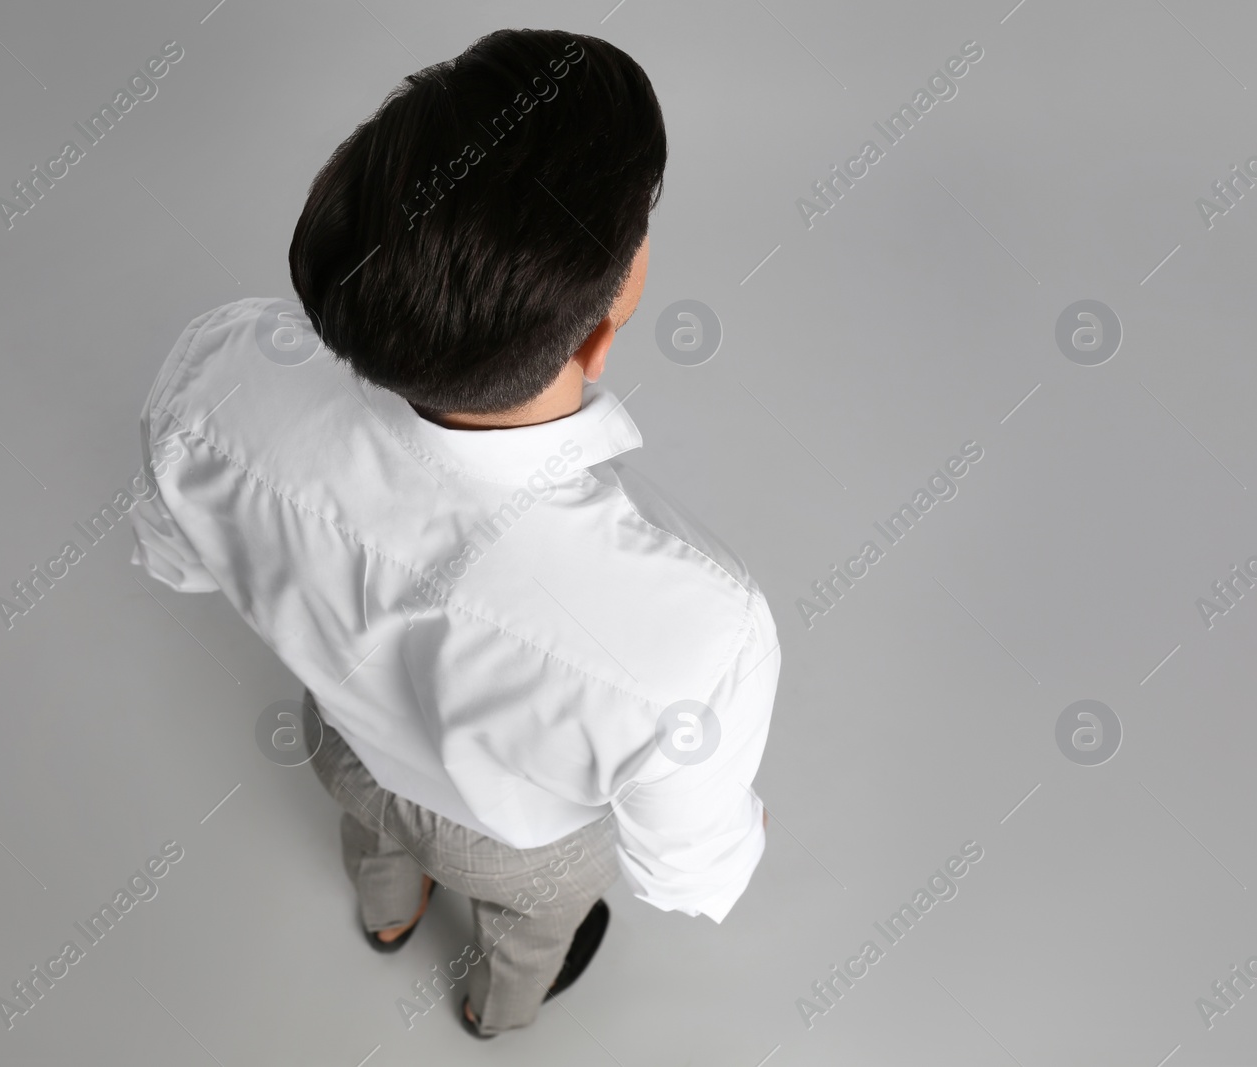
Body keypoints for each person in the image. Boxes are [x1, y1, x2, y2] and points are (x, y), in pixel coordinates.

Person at [128, 28, 780, 1038]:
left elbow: (175, 553)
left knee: (372, 829)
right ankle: (493, 1007)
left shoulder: (221, 371)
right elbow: (687, 864)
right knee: (531, 928)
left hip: (342, 741)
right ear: (602, 327)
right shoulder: (699, 629)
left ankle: (387, 915)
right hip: (513, 843)